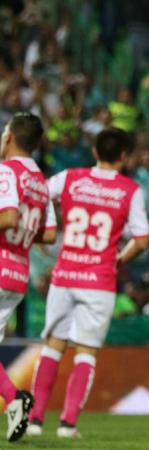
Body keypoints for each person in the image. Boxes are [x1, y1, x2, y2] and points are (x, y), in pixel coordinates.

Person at [27, 128, 149, 438]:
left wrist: (46, 228)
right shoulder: (129, 190)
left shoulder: (70, 178)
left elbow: (38, 192)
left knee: (53, 347)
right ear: (124, 156)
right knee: (86, 351)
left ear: (95, 151)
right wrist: (120, 259)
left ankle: (35, 421)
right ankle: (68, 425)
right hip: (99, 280)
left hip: (66, 274)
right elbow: (143, 239)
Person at [0, 113, 55, 442]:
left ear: (9, 138)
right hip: (17, 273)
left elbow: (8, 217)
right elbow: (49, 236)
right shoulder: (41, 182)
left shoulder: (6, 171)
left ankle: (15, 399)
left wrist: (13, 226)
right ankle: (14, 399)